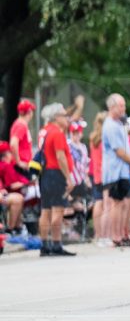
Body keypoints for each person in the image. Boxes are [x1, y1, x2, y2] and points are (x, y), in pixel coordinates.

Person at [37, 103, 75, 256]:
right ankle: (56, 244)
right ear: (56, 117)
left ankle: (44, 245)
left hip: (44, 174)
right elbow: (60, 157)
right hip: (56, 174)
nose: (66, 118)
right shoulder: (57, 133)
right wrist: (68, 178)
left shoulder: (43, 132)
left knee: (45, 210)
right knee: (57, 211)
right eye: (64, 115)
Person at [101, 94, 130, 247]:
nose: (124, 109)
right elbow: (119, 151)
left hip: (122, 170)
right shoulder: (110, 125)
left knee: (124, 203)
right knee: (117, 203)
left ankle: (122, 234)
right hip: (115, 171)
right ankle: (116, 236)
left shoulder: (118, 124)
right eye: (121, 106)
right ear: (112, 107)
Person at [88, 112, 107, 243]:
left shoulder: (93, 137)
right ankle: (104, 234)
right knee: (104, 204)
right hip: (103, 173)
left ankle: (97, 233)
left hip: (93, 173)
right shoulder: (104, 138)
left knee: (97, 202)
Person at [0, 141, 26, 233]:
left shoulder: (8, 165)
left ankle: (17, 227)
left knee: (19, 197)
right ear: (6, 155)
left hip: (5, 193)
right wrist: (28, 183)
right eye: (10, 152)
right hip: (5, 194)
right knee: (18, 198)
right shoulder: (5, 165)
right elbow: (12, 185)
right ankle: (11, 228)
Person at [9, 99, 35, 178]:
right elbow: (13, 143)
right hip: (21, 166)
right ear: (29, 112)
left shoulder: (20, 124)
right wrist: (18, 162)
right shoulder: (21, 125)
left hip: (23, 165)